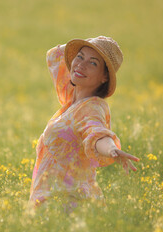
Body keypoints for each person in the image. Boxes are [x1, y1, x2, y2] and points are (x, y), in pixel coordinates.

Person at [29, 36, 139, 212]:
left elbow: (96, 132)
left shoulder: (92, 107)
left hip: (68, 205)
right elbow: (55, 55)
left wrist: (111, 149)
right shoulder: (72, 98)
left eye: (93, 63)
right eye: (79, 57)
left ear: (104, 77)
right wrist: (89, 44)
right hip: (52, 202)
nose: (81, 65)